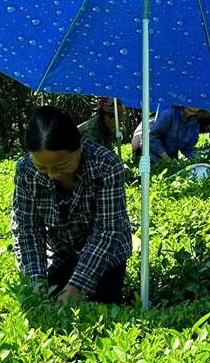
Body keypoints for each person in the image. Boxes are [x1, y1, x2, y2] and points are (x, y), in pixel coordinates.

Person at [11, 106, 132, 307]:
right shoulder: (25, 170)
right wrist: (37, 280)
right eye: (42, 167)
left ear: (80, 147)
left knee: (101, 307)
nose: (51, 174)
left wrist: (77, 285)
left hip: (106, 252)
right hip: (59, 251)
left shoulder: (107, 166)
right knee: (46, 301)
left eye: (61, 166)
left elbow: (107, 232)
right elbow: (27, 230)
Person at [129, 105, 202, 165]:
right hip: (151, 155)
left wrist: (196, 160)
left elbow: (188, 148)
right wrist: (166, 158)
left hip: (171, 157)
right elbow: (151, 137)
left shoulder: (194, 124)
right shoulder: (168, 114)